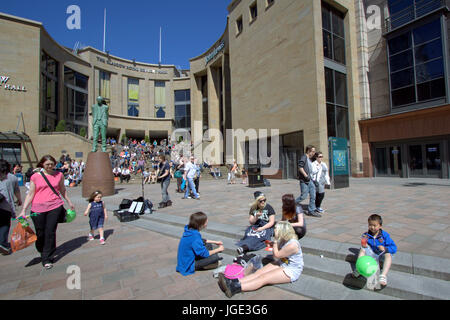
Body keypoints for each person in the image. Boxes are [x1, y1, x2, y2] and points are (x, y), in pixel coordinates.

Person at [218, 221, 304, 298]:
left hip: (291, 269)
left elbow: (276, 255)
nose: (274, 231)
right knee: (258, 273)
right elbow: (278, 252)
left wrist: (275, 242)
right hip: (282, 262)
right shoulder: (284, 239)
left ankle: (235, 288)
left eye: (276, 229)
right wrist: (273, 244)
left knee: (264, 278)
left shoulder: (292, 245)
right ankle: (233, 281)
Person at [18, 155, 75, 269]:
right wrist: (23, 209)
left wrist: (69, 202)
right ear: (42, 164)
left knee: (50, 232)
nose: (50, 166)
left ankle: (47, 257)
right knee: (40, 233)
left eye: (52, 164)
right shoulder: (35, 176)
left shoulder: (59, 175)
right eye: (47, 164)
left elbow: (62, 190)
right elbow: (31, 193)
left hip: (55, 206)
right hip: (38, 208)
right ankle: (42, 249)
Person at [353, 214, 397, 286]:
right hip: (371, 255)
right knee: (362, 249)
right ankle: (359, 268)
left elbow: (394, 248)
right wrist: (364, 244)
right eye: (370, 225)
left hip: (381, 255)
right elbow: (365, 245)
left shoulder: (385, 235)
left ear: (380, 226)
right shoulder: (365, 235)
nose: (372, 227)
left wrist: (385, 249)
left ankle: (383, 275)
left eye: (374, 225)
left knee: (388, 254)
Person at [176, 212, 224, 276]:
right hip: (189, 264)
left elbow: (202, 240)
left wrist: (215, 242)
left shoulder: (190, 230)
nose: (207, 223)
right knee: (215, 257)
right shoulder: (195, 237)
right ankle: (205, 266)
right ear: (201, 224)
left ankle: (208, 263)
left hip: (185, 260)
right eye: (206, 222)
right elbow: (205, 254)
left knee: (208, 245)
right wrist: (218, 249)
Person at [0, 160, 22, 255]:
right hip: (5, 206)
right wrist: (19, 200)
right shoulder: (12, 177)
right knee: (4, 225)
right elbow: (16, 191)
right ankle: (2, 243)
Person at [295, 145, 320, 217]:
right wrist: (306, 176)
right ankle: (291, 204)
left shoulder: (309, 159)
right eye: (313, 151)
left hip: (310, 180)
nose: (314, 153)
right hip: (304, 181)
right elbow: (300, 167)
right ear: (309, 151)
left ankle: (311, 210)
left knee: (313, 195)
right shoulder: (304, 157)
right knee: (303, 196)